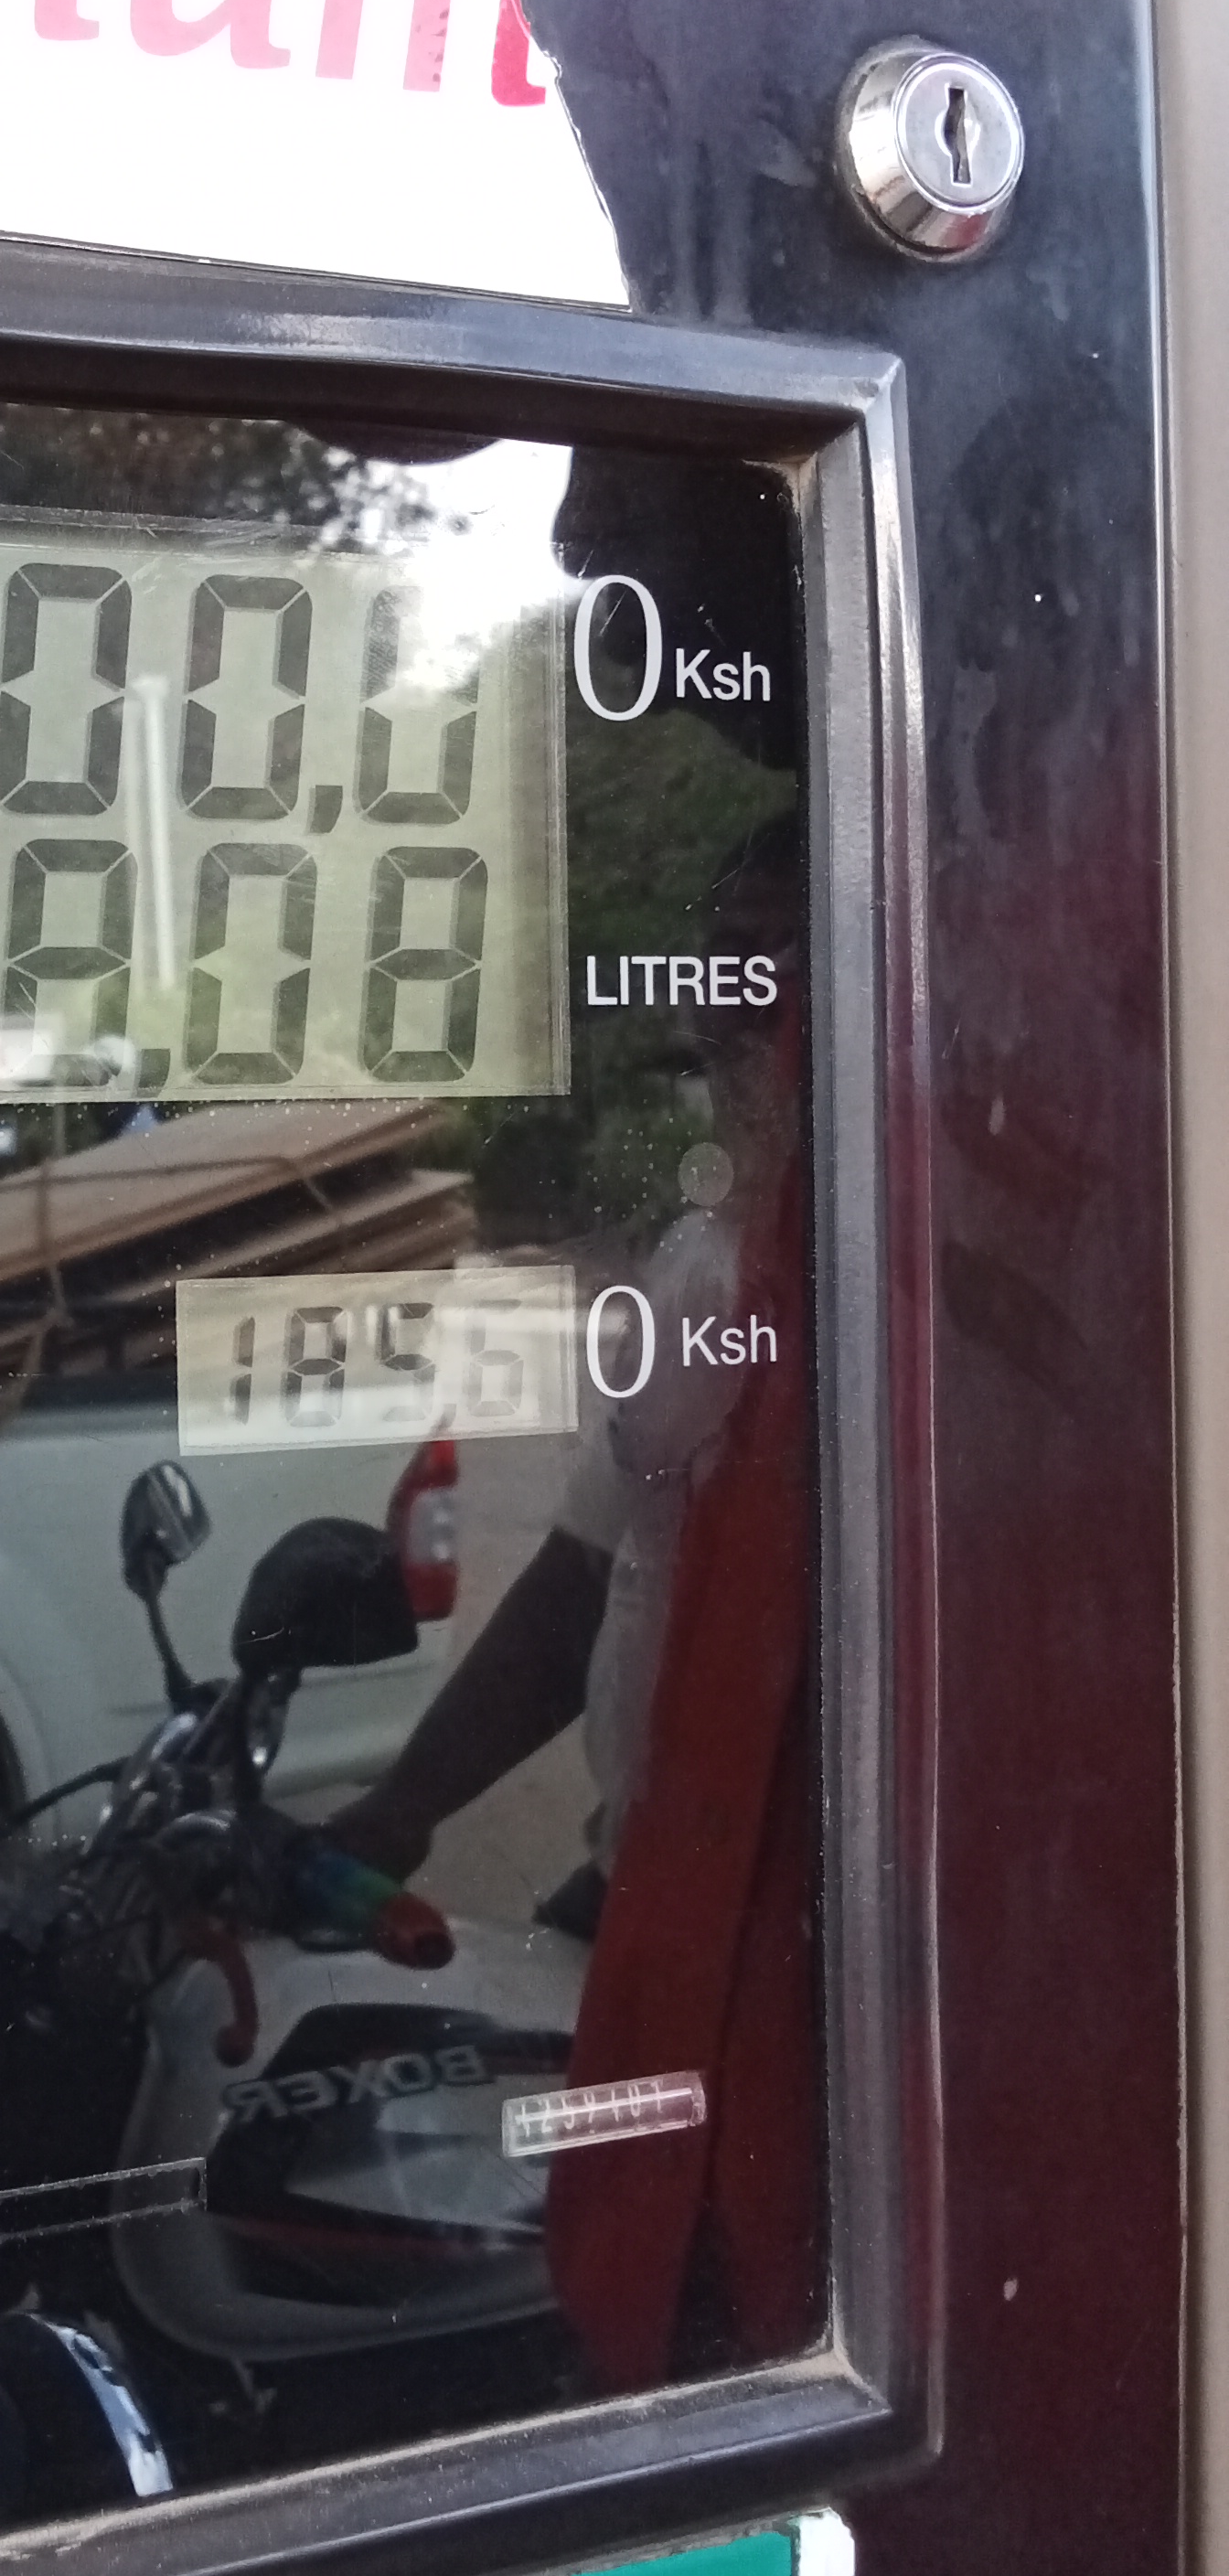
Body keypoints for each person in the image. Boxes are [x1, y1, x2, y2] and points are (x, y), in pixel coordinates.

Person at [332, 814, 818, 2389]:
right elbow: (584, 1580)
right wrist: (403, 1812)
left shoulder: (915, 1321)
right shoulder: (709, 1274)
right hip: (647, 1890)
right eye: (719, 993)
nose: (735, 1042)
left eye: (775, 989)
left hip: (797, 1969)